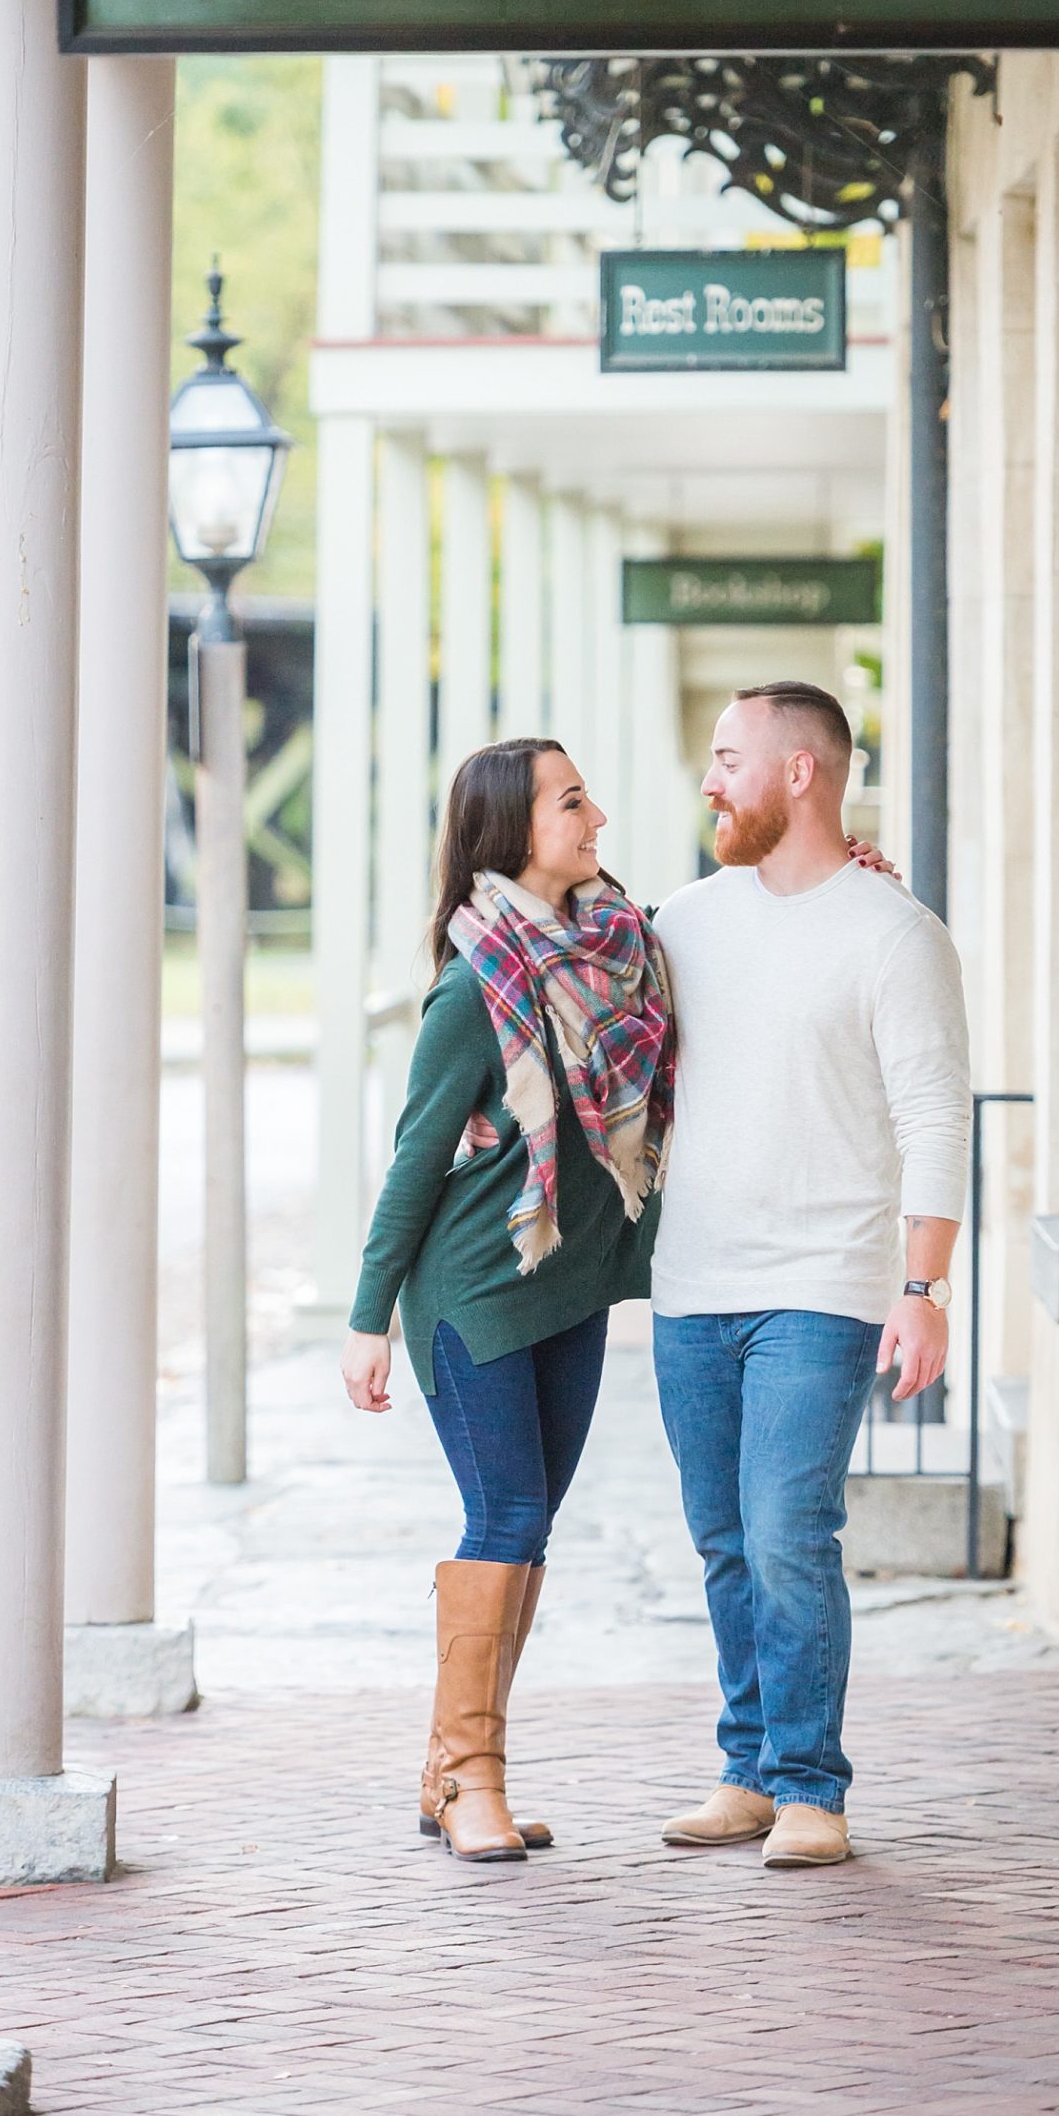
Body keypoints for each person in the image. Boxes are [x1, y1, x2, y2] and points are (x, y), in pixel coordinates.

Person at [650, 681, 971, 1869]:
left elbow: (936, 1115)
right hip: (691, 1283)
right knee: (723, 1536)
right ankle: (744, 1767)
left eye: (728, 757)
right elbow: (581, 998)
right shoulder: (684, 917)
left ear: (799, 772)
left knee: (788, 1528)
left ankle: (809, 1787)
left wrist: (923, 1286)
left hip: (823, 1281)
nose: (709, 779)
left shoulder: (892, 933)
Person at [340, 739, 673, 1863]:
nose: (596, 817)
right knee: (508, 1523)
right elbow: (413, 1158)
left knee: (528, 1540)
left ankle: (449, 1772)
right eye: (571, 801)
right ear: (511, 830)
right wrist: (365, 1319)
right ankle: (472, 1779)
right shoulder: (472, 986)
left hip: (568, 1285)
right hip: (475, 1290)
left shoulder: (622, 948)